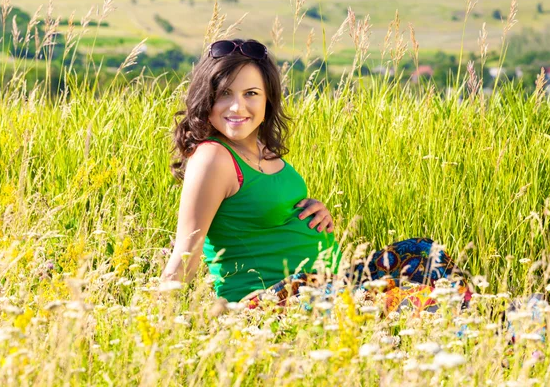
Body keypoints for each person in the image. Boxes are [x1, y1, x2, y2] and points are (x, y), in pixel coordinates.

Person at [162, 39, 470, 312]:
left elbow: (264, 210)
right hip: (273, 300)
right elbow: (186, 251)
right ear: (207, 97)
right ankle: (487, 333)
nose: (237, 105)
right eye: (224, 93)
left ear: (268, 100)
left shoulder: (259, 148)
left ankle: (488, 324)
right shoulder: (213, 156)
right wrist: (157, 326)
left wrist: (314, 212)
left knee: (423, 254)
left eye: (251, 93)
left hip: (328, 285)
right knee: (418, 296)